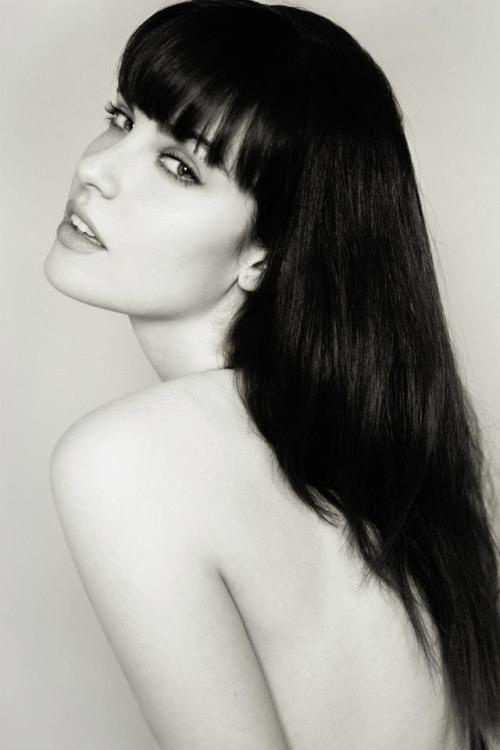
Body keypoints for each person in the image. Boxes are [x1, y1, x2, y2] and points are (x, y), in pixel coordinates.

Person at [43, 1, 500, 748]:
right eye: (121, 119)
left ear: (267, 253)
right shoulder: (371, 465)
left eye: (179, 167)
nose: (96, 169)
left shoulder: (125, 459)